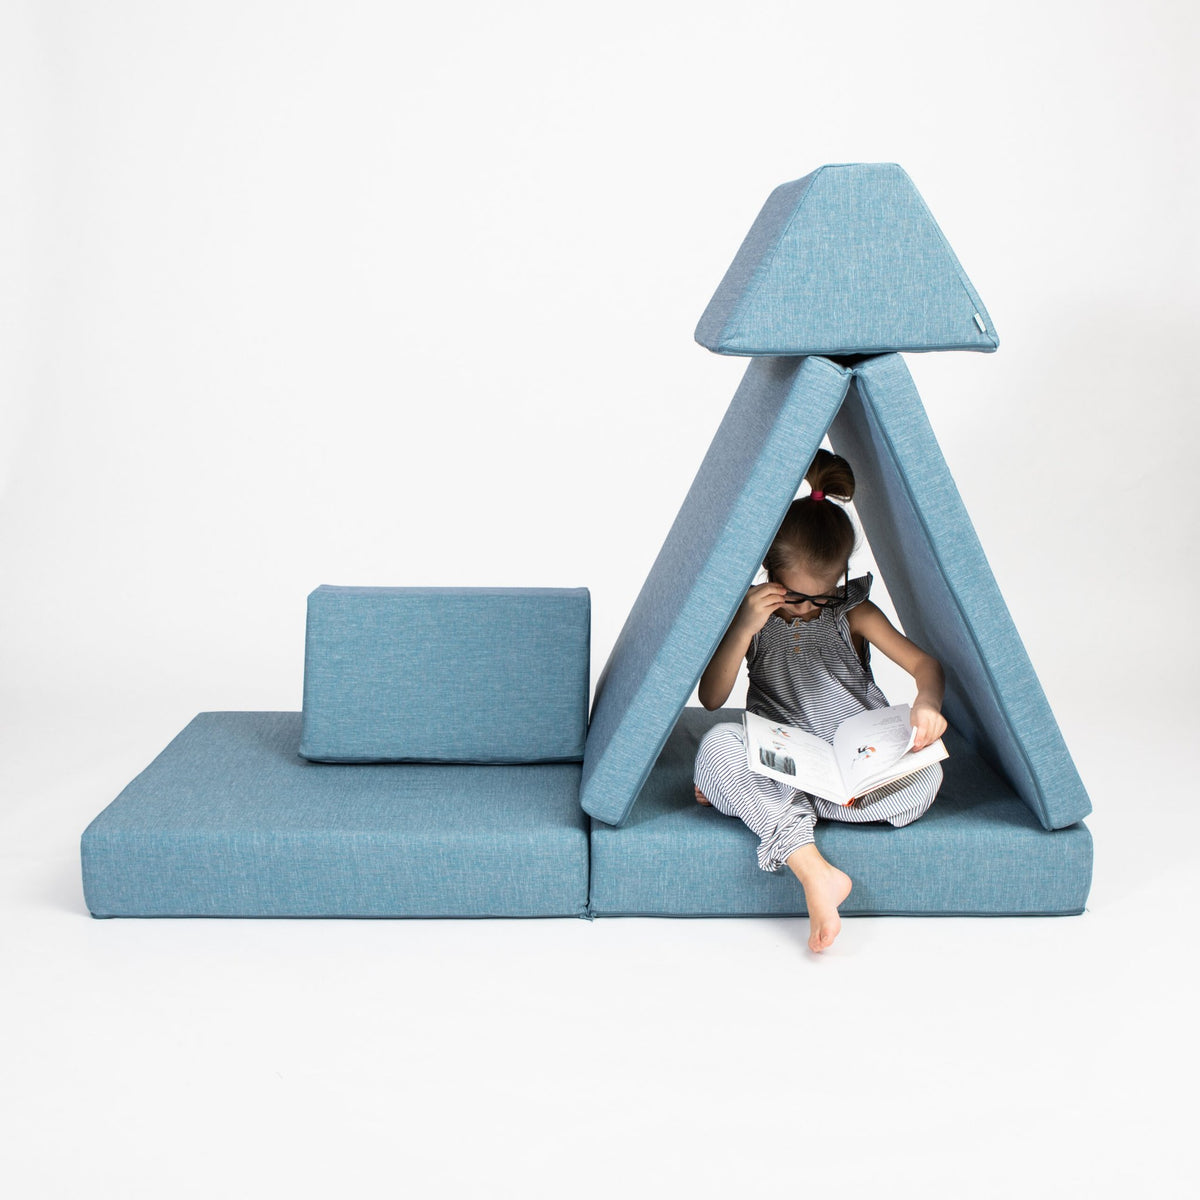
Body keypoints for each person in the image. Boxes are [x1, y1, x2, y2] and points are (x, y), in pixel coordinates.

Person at [692, 449, 947, 954]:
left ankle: (763, 806)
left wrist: (926, 705)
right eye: (796, 596)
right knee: (718, 744)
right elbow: (712, 697)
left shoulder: (851, 613)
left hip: (857, 773)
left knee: (929, 775)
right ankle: (814, 870)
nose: (810, 609)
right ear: (768, 573)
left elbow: (926, 666)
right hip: (788, 761)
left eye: (823, 596)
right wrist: (746, 625)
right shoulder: (754, 619)